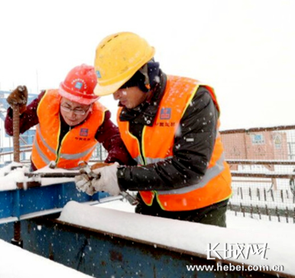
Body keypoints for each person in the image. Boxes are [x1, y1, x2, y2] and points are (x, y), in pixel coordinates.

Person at [75, 32, 232, 227]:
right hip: (151, 206)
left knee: (198, 258)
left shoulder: (192, 99)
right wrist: (108, 169)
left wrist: (120, 178)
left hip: (201, 210)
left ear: (143, 77)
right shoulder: (126, 111)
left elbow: (188, 167)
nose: (115, 97)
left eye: (119, 88)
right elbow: (133, 152)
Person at [4, 64, 131, 171]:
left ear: (91, 105)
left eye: (79, 109)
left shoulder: (99, 118)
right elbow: (12, 130)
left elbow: (117, 143)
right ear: (61, 97)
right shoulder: (45, 102)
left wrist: (112, 164)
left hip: (72, 179)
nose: (71, 114)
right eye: (67, 106)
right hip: (39, 172)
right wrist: (16, 112)